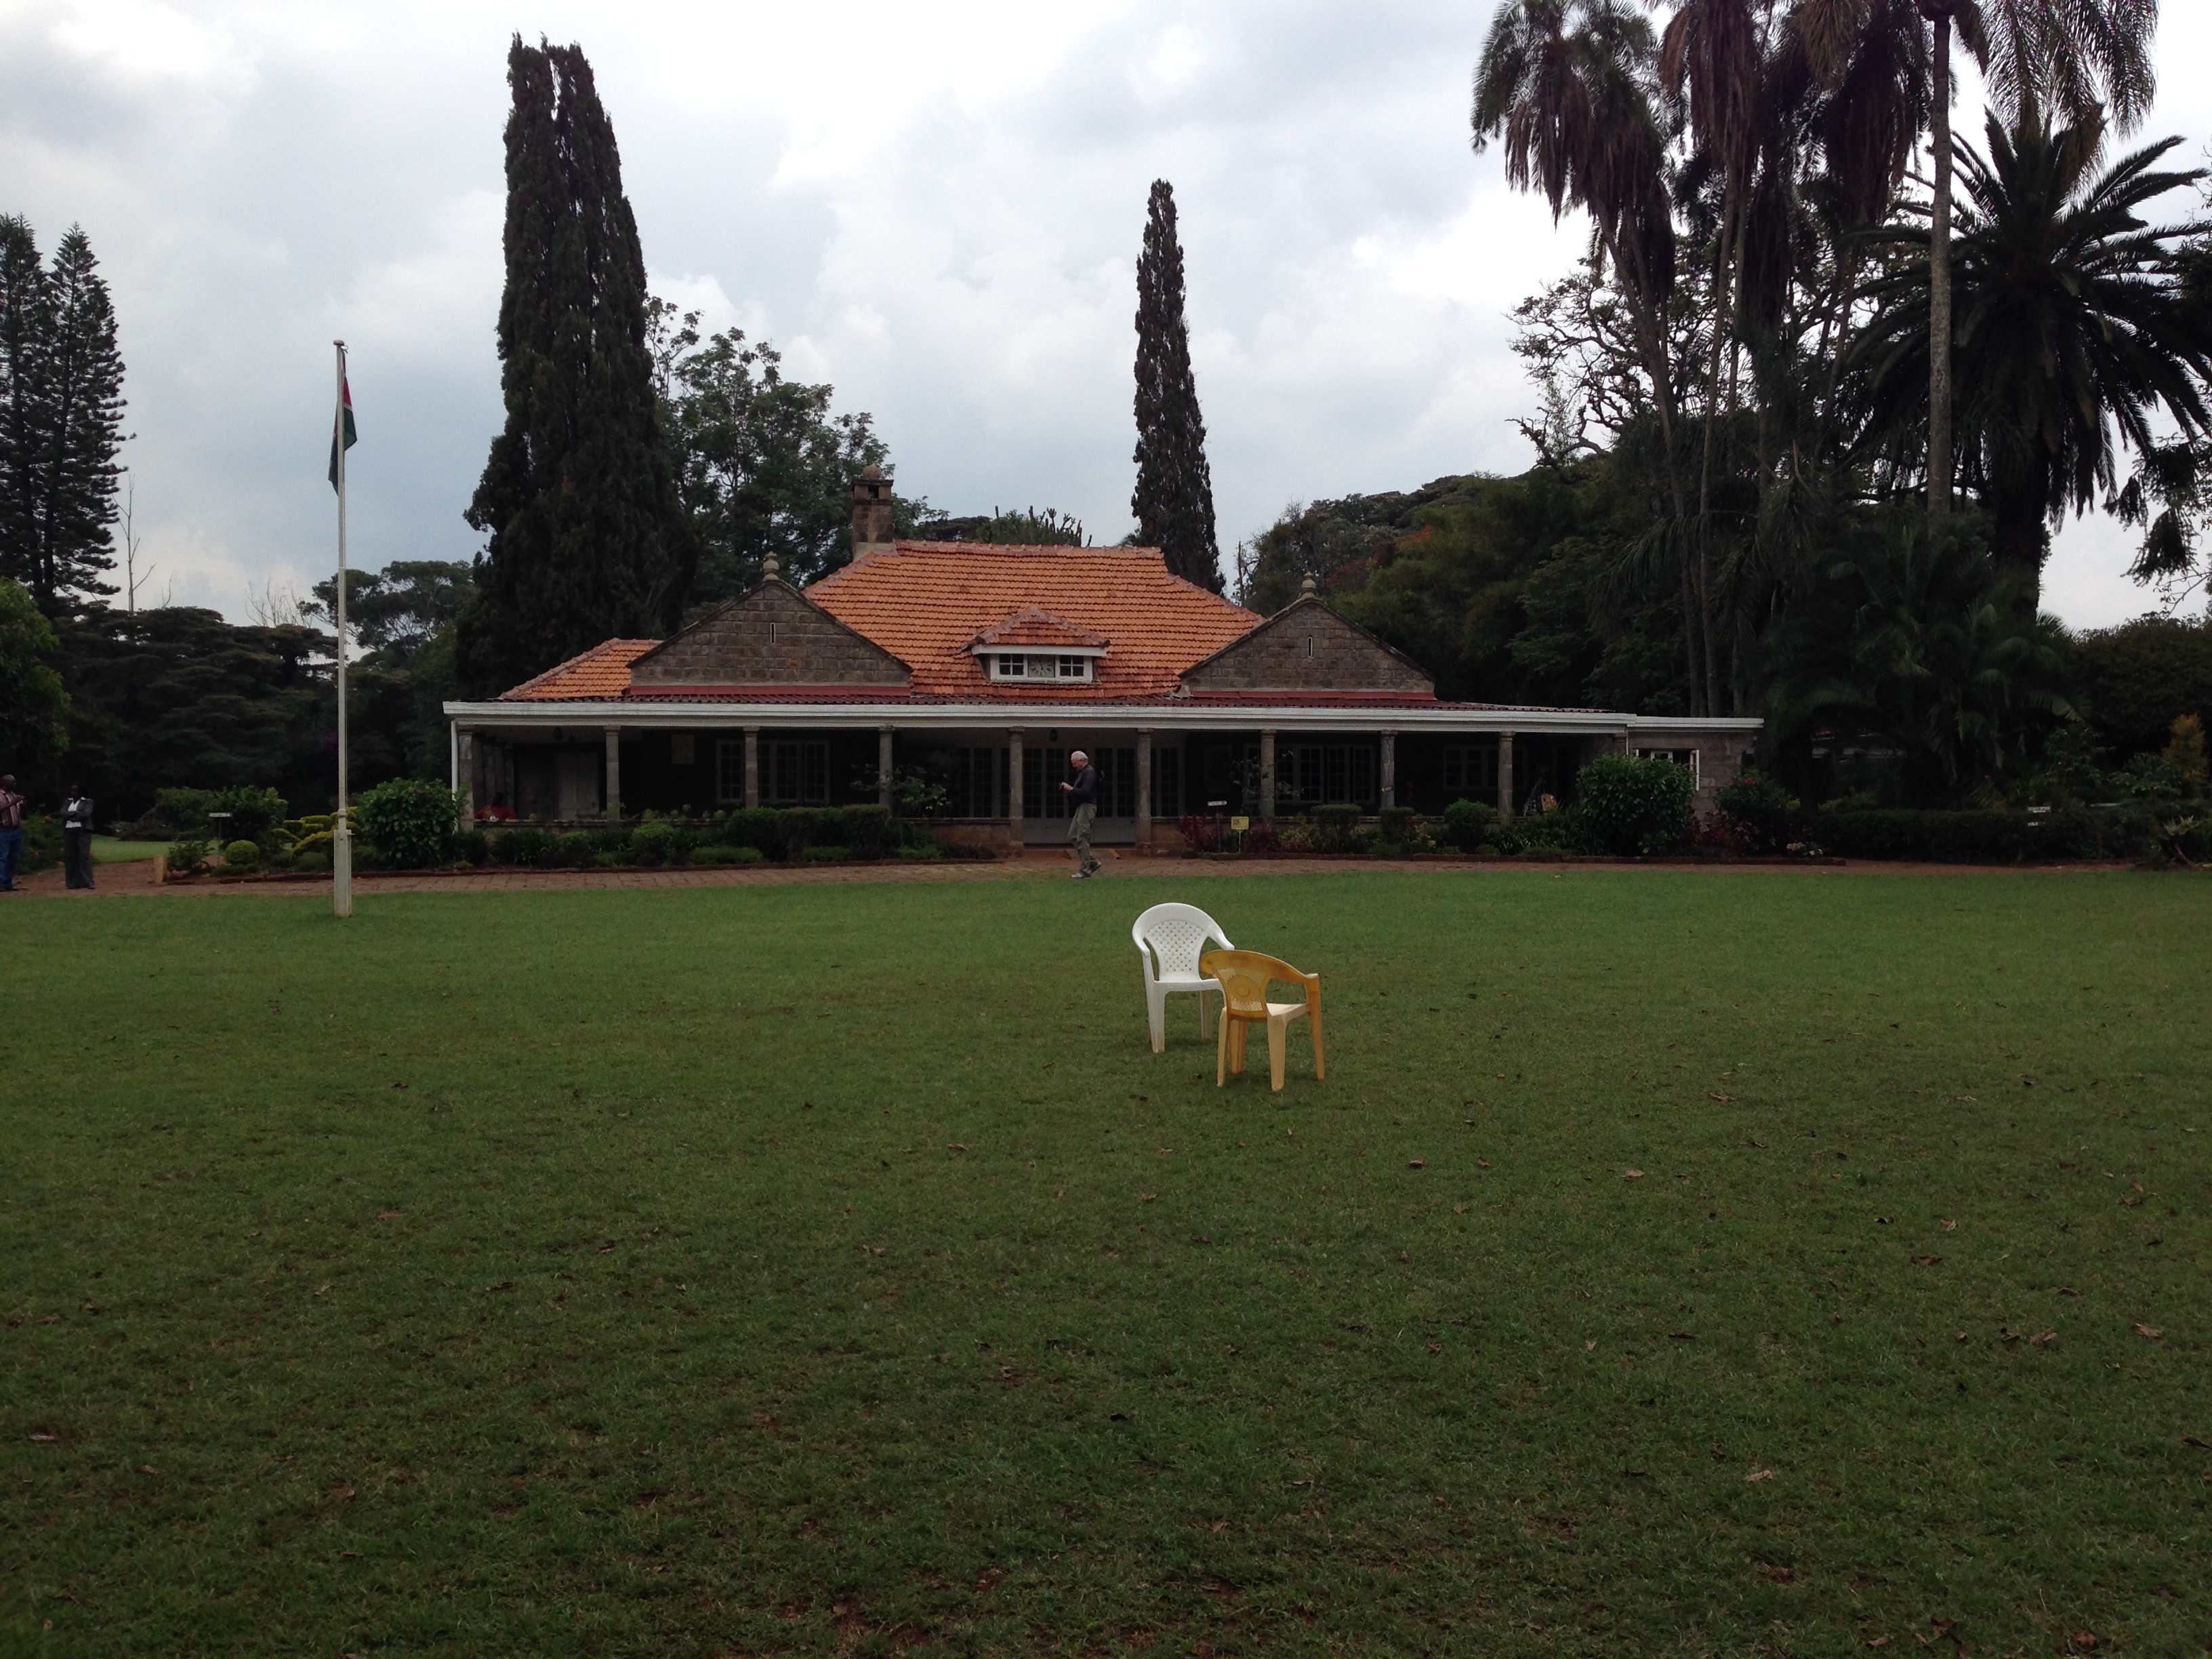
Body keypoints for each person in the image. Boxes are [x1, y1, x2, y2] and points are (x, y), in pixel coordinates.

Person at [1060, 749, 1101, 878]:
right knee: (1073, 836)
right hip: (1081, 807)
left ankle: (1085, 870)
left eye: (1075, 763)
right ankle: (1092, 862)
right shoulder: (1083, 773)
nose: (1074, 766)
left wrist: (1071, 789)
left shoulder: (1089, 773)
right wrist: (1070, 792)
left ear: (1082, 761)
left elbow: (1086, 792)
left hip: (1087, 807)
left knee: (1083, 836)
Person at [61, 783, 94, 890]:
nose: (73, 793)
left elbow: (85, 815)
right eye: (72, 791)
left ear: (80, 792)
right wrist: (75, 813)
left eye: (75, 791)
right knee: (70, 856)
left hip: (82, 831)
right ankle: (72, 883)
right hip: (69, 831)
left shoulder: (88, 802)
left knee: (84, 856)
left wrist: (70, 816)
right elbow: (62, 813)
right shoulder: (68, 802)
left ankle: (88, 882)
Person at [0, 775, 23, 892]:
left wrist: (22, 804)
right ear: (4, 783)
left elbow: (20, 813)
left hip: (16, 830)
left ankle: (7, 882)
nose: (14, 784)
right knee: (2, 857)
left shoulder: (14, 795)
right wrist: (13, 803)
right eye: (12, 782)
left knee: (13, 858)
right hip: (3, 830)